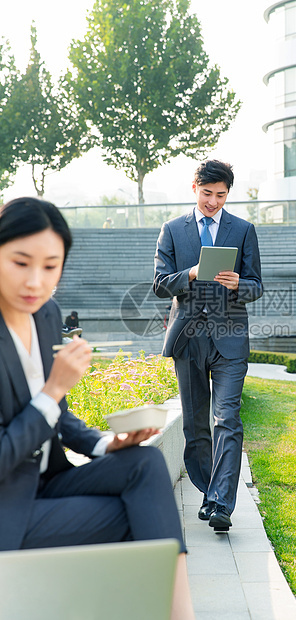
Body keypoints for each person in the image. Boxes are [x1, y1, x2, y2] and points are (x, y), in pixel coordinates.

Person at [0, 197, 194, 620]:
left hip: (48, 486)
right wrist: (52, 391)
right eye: (20, 262)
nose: (36, 280)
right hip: (6, 510)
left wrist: (108, 443)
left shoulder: (45, 314)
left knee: (143, 463)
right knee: (142, 517)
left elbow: (62, 420)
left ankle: (181, 613)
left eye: (51, 266)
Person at [153, 160, 263, 532]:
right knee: (197, 427)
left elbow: (257, 285)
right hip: (188, 338)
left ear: (228, 193)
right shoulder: (172, 230)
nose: (214, 201)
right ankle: (208, 491)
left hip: (230, 337)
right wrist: (192, 274)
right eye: (207, 193)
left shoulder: (244, 230)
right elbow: (159, 284)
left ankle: (221, 504)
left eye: (221, 195)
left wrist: (238, 284)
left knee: (227, 420)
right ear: (194, 188)